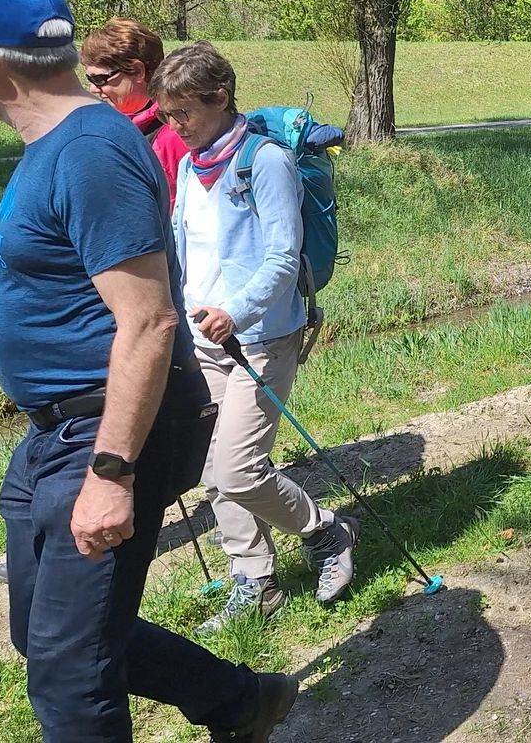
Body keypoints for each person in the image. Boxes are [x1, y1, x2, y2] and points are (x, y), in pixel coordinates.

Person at [0, 0, 293, 743]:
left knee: (68, 673)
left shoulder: (89, 149)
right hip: (55, 435)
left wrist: (111, 474)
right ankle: (237, 700)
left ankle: (238, 701)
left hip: (105, 436)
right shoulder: (59, 143)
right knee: (47, 640)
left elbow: (149, 322)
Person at [153, 42, 360, 636]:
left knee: (238, 468)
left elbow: (280, 256)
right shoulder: (193, 164)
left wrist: (235, 312)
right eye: (168, 114)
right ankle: (255, 580)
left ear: (219, 98)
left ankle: (326, 531)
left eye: (184, 113)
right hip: (201, 338)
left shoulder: (263, 162)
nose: (175, 126)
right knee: (213, 466)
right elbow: (184, 249)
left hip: (261, 336)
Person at [80, 18, 192, 204]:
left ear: (138, 71)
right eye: (89, 79)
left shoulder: (174, 135)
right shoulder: (107, 123)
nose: (93, 88)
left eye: (100, 79)